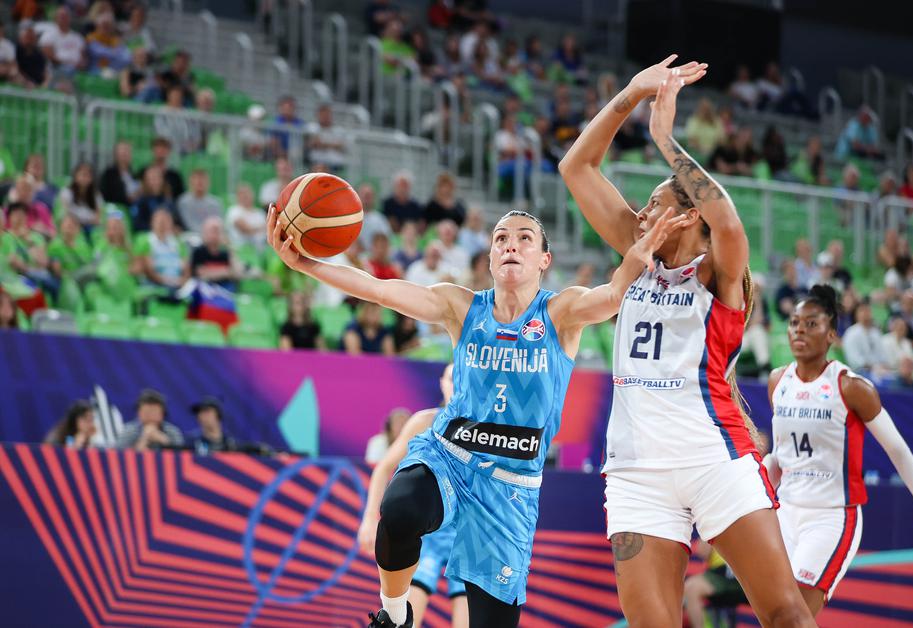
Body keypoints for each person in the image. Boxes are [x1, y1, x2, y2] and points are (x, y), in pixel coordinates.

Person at [266, 173, 683, 627]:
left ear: (544, 259)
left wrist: (639, 254)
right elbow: (378, 289)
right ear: (489, 257)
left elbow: (614, 294)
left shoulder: (561, 312)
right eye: (501, 238)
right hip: (451, 456)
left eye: (524, 238)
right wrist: (307, 266)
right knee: (400, 508)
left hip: (510, 485)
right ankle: (394, 616)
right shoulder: (461, 306)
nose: (511, 245)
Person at [559, 55, 815, 627]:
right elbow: (576, 167)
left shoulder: (718, 272)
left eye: (655, 203)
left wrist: (665, 138)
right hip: (637, 473)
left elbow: (728, 223)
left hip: (715, 458)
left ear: (691, 214)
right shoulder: (636, 254)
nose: (641, 212)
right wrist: (630, 93)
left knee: (786, 614)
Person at [765, 285, 913, 616]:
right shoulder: (778, 381)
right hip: (786, 512)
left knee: (795, 616)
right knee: (773, 616)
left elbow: (899, 451)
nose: (799, 330)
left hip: (831, 516)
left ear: (832, 334)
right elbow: (781, 455)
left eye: (811, 324)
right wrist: (762, 474)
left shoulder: (851, 387)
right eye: (794, 323)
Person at [359, 364, 469, 628]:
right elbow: (384, 468)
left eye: (462, 377)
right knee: (402, 616)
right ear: (441, 382)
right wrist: (370, 518)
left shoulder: (485, 429)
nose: (456, 383)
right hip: (427, 533)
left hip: (465, 535)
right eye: (451, 378)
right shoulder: (424, 421)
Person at [116, 388, 185, 451]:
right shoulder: (130, 430)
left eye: (154, 412)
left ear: (163, 413)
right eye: (146, 412)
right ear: (138, 413)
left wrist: (164, 440)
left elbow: (182, 454)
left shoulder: (172, 431)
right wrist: (144, 439)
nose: (150, 416)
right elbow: (118, 454)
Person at [190, 217, 236, 291]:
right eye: (213, 231)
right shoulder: (199, 251)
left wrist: (230, 248)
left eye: (219, 231)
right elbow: (202, 274)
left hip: (226, 289)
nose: (216, 234)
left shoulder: (225, 253)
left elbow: (236, 273)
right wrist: (226, 271)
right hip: (205, 289)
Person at [59, 162, 103, 230]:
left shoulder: (96, 194)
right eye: (83, 174)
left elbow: (98, 217)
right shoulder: (67, 192)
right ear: (75, 176)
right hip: (73, 227)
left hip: (91, 227)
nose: (85, 178)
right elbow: (65, 214)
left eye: (88, 175)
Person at [226, 183, 266, 252]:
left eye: (247, 193)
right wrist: (261, 228)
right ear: (237, 197)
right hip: (241, 250)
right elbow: (245, 229)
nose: (245, 196)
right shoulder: (234, 210)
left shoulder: (260, 213)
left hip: (262, 249)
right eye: (242, 193)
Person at [99, 140, 141, 206]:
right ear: (115, 154)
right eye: (122, 152)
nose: (125, 155)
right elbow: (110, 196)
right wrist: (132, 197)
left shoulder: (134, 174)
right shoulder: (109, 174)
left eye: (127, 151)